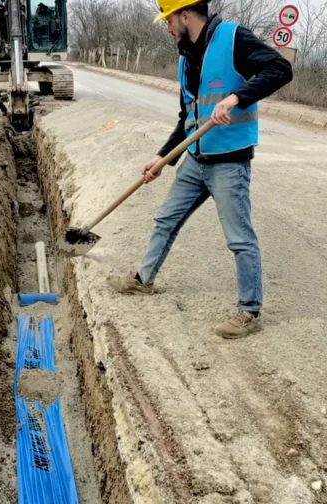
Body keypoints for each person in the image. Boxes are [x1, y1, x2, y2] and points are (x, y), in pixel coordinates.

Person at [106, 0, 293, 339]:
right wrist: (163, 158)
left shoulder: (232, 38)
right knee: (166, 219)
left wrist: (237, 97)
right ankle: (143, 279)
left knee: (240, 239)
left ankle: (249, 310)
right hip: (195, 157)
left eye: (169, 20)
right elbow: (188, 118)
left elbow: (280, 68)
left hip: (229, 161)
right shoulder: (186, 58)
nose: (168, 28)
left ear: (185, 15)